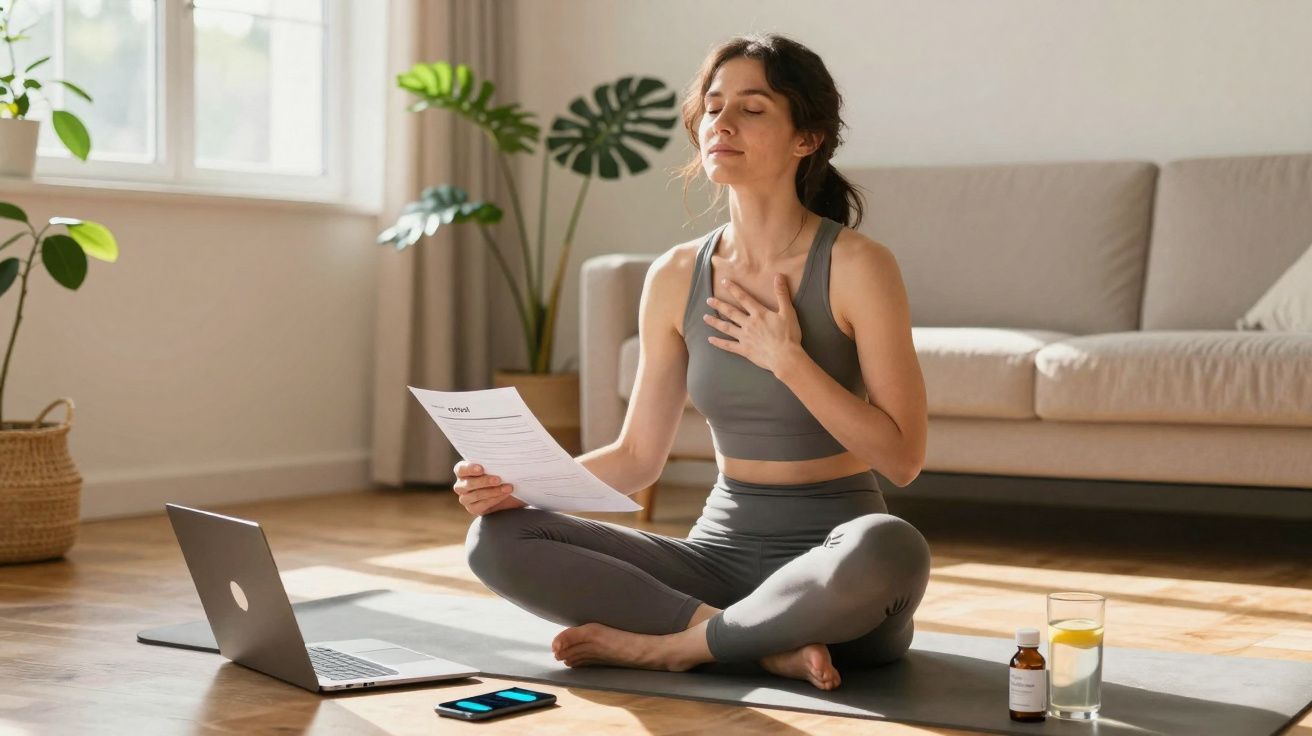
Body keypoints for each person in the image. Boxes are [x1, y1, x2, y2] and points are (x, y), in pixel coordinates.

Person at [456, 33, 931, 692]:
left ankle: (674, 648)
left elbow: (902, 458)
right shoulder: (677, 274)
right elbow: (637, 459)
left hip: (835, 566)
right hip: (716, 560)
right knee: (496, 538)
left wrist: (788, 359)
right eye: (712, 107)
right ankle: (745, 642)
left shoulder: (858, 266)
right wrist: (517, 490)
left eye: (753, 108)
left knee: (893, 547)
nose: (722, 123)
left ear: (807, 138)